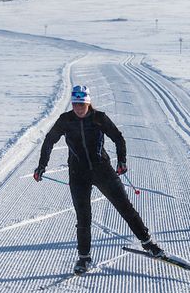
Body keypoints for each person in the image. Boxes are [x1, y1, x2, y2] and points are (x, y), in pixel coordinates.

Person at [33, 85, 164, 275]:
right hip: (78, 174)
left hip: (102, 170)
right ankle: (84, 258)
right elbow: (49, 141)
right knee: (83, 218)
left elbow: (118, 138)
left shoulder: (98, 118)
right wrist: (42, 165)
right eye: (76, 104)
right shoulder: (65, 120)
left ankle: (148, 243)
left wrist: (122, 161)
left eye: (82, 104)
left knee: (125, 207)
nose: (78, 108)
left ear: (88, 102)